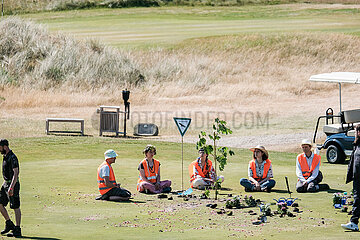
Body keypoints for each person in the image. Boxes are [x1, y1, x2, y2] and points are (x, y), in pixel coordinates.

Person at [0, 139, 21, 237]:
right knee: (0, 203)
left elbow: (16, 173)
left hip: (13, 185)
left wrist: (11, 187)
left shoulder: (12, 157)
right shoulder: (5, 157)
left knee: (15, 206)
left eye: (0, 148)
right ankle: (9, 223)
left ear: (5, 146)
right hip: (6, 184)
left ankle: (17, 229)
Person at [342, 124, 360, 231]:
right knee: (357, 198)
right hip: (357, 176)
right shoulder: (357, 144)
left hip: (358, 177)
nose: (355, 134)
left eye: (356, 131)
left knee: (358, 198)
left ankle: (354, 222)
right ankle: (354, 221)